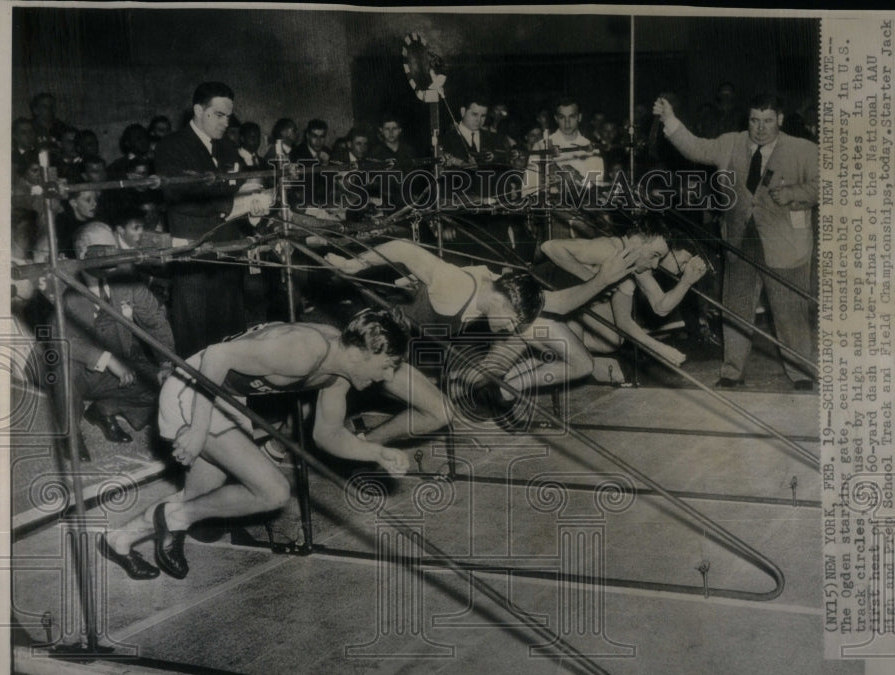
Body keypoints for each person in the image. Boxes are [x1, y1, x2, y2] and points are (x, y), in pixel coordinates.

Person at [99, 308, 419, 580]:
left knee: (198, 501)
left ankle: (118, 539)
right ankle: (174, 518)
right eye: (387, 365)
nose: (387, 378)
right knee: (273, 491)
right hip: (194, 390)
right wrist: (197, 431)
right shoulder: (305, 350)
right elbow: (217, 355)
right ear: (364, 352)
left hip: (226, 400)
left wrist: (378, 451)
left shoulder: (336, 372)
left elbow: (328, 434)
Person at [325, 240, 638, 431]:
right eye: (512, 322)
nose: (511, 330)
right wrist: (354, 264)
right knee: (331, 386)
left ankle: (506, 388)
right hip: (380, 341)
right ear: (502, 301)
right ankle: (304, 442)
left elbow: (560, 303)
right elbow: (404, 248)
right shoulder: (455, 286)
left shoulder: (503, 290)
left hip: (411, 344)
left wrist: (602, 280)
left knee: (581, 363)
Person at [652, 93, 817, 390]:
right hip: (740, 242)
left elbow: (825, 187)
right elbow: (696, 148)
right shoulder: (731, 143)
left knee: (790, 310)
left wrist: (794, 194)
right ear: (748, 120)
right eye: (755, 121)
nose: (760, 128)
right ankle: (732, 371)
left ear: (779, 119)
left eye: (768, 121)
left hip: (787, 245)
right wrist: (670, 120)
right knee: (736, 308)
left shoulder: (804, 149)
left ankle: (802, 372)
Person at [154, 81, 274, 357]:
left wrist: (254, 207)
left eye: (228, 116)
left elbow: (240, 185)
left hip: (228, 255)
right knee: (196, 342)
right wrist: (232, 203)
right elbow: (180, 194)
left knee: (230, 339)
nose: (225, 122)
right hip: (195, 256)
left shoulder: (227, 148)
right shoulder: (171, 147)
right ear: (198, 110)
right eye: (218, 115)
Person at [56, 222, 175, 461]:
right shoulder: (62, 282)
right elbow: (57, 340)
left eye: (114, 248)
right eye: (105, 250)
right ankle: (68, 432)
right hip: (78, 365)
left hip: (118, 369)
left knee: (168, 387)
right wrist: (106, 359)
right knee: (62, 366)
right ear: (82, 254)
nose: (114, 256)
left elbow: (154, 319)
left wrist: (166, 363)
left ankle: (104, 410)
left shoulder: (126, 280)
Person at [540, 231, 708, 375]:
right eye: (683, 262)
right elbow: (549, 247)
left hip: (575, 297)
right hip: (551, 288)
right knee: (583, 348)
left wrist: (686, 281)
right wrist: (596, 282)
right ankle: (559, 352)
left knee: (612, 340)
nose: (682, 268)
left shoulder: (641, 266)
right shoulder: (611, 249)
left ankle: (560, 351)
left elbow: (659, 308)